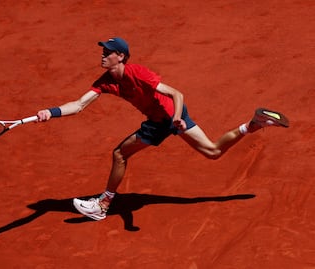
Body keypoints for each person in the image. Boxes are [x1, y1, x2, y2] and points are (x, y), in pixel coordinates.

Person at [36, 37, 289, 221]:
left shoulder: (138, 73)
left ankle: (103, 205)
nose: (103, 54)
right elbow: (79, 105)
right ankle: (253, 124)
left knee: (120, 154)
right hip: (170, 117)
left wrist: (176, 119)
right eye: (103, 50)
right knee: (212, 152)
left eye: (109, 51)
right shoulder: (105, 82)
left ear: (121, 56)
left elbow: (177, 93)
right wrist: (51, 111)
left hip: (164, 119)